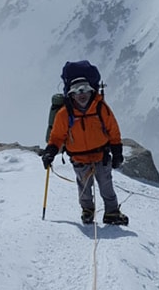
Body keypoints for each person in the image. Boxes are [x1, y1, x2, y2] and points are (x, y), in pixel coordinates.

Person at [41, 61, 128, 225]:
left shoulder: (101, 108)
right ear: (70, 94)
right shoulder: (64, 114)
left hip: (101, 156)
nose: (81, 94)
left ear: (91, 91)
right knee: (84, 188)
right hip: (80, 159)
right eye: (76, 91)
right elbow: (57, 137)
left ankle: (111, 212)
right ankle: (88, 211)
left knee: (106, 186)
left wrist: (117, 153)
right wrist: (50, 152)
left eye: (85, 90)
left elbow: (113, 131)